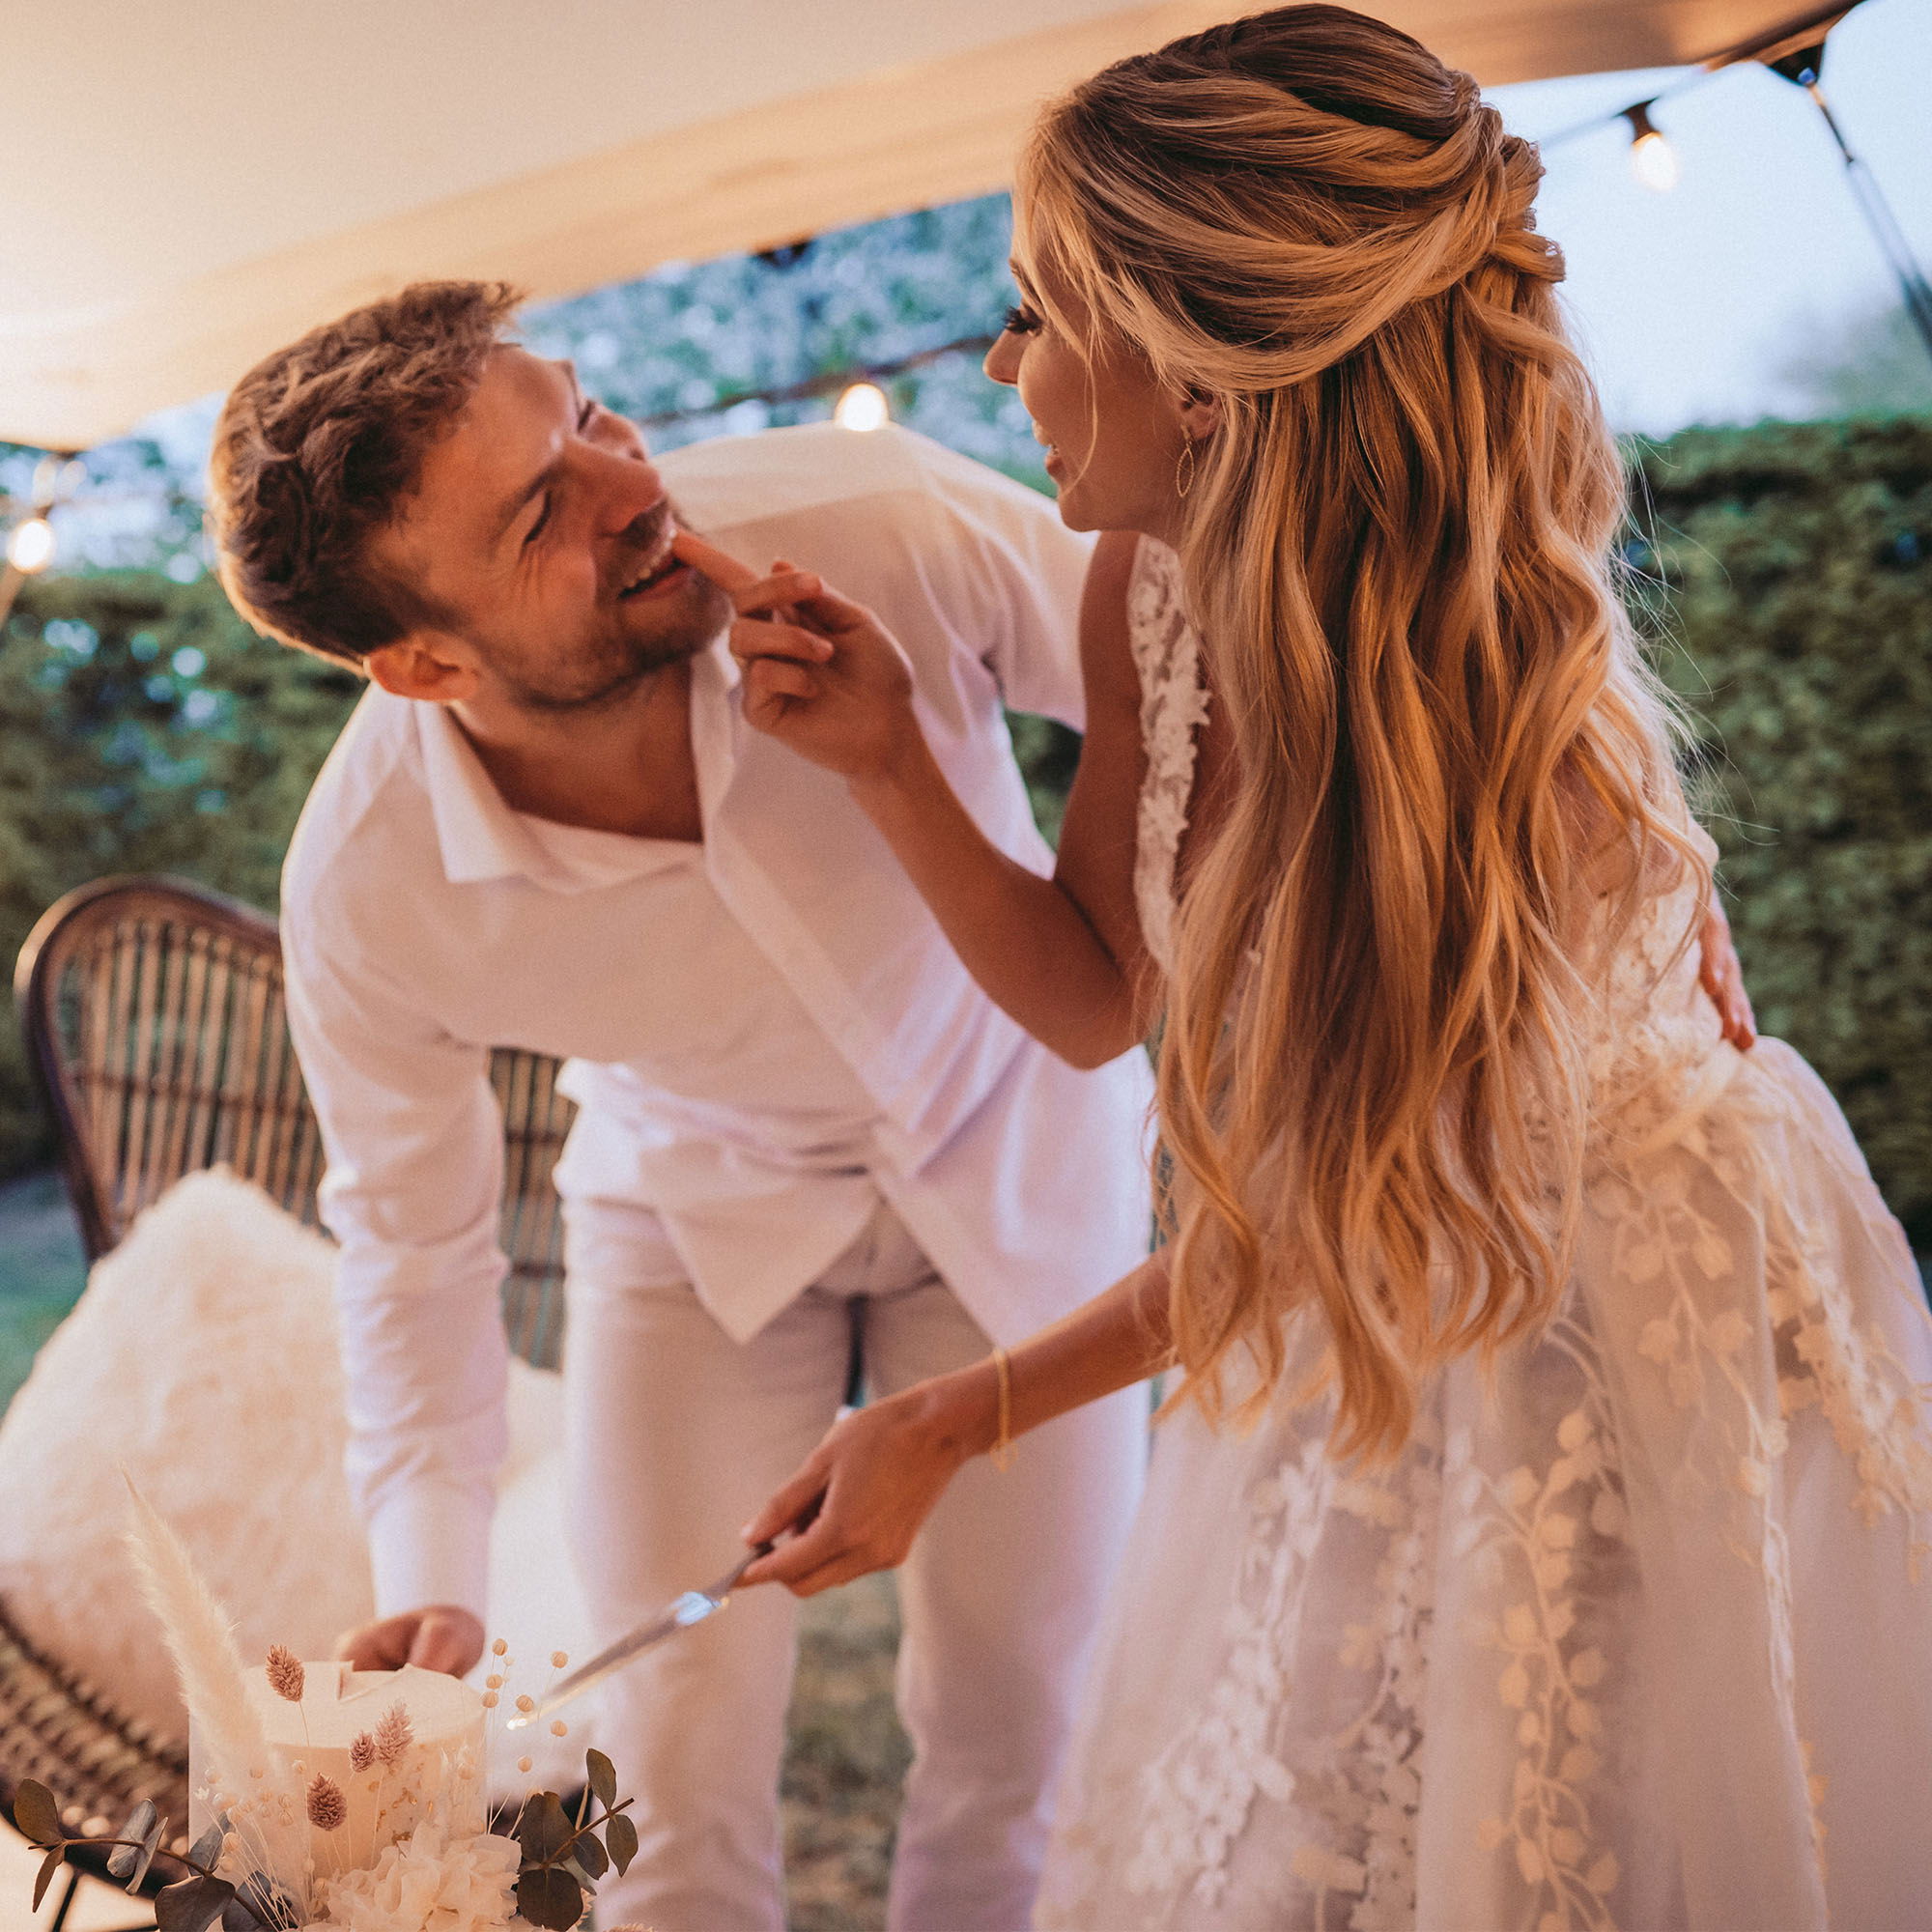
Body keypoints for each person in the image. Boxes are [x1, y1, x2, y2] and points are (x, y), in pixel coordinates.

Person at [731, 9, 1932, 1927]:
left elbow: (1308, 1227)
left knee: (1527, 1832)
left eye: (1039, 310)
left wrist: (954, 1414)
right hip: (1371, 1310)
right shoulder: (1144, 592)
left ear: (1193, 375)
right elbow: (1092, 997)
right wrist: (889, 759)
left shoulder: (1515, 789)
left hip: (1595, 1352)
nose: (998, 361)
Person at [203, 281, 1157, 1932]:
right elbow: (412, 1248)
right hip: (692, 1218)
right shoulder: (369, 891)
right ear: (426, 664)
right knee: (662, 1773)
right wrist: (431, 1574)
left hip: (1026, 1149)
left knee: (1025, 1733)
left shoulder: (874, 517)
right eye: (538, 513)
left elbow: (1221, 676)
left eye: (584, 416)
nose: (632, 487)